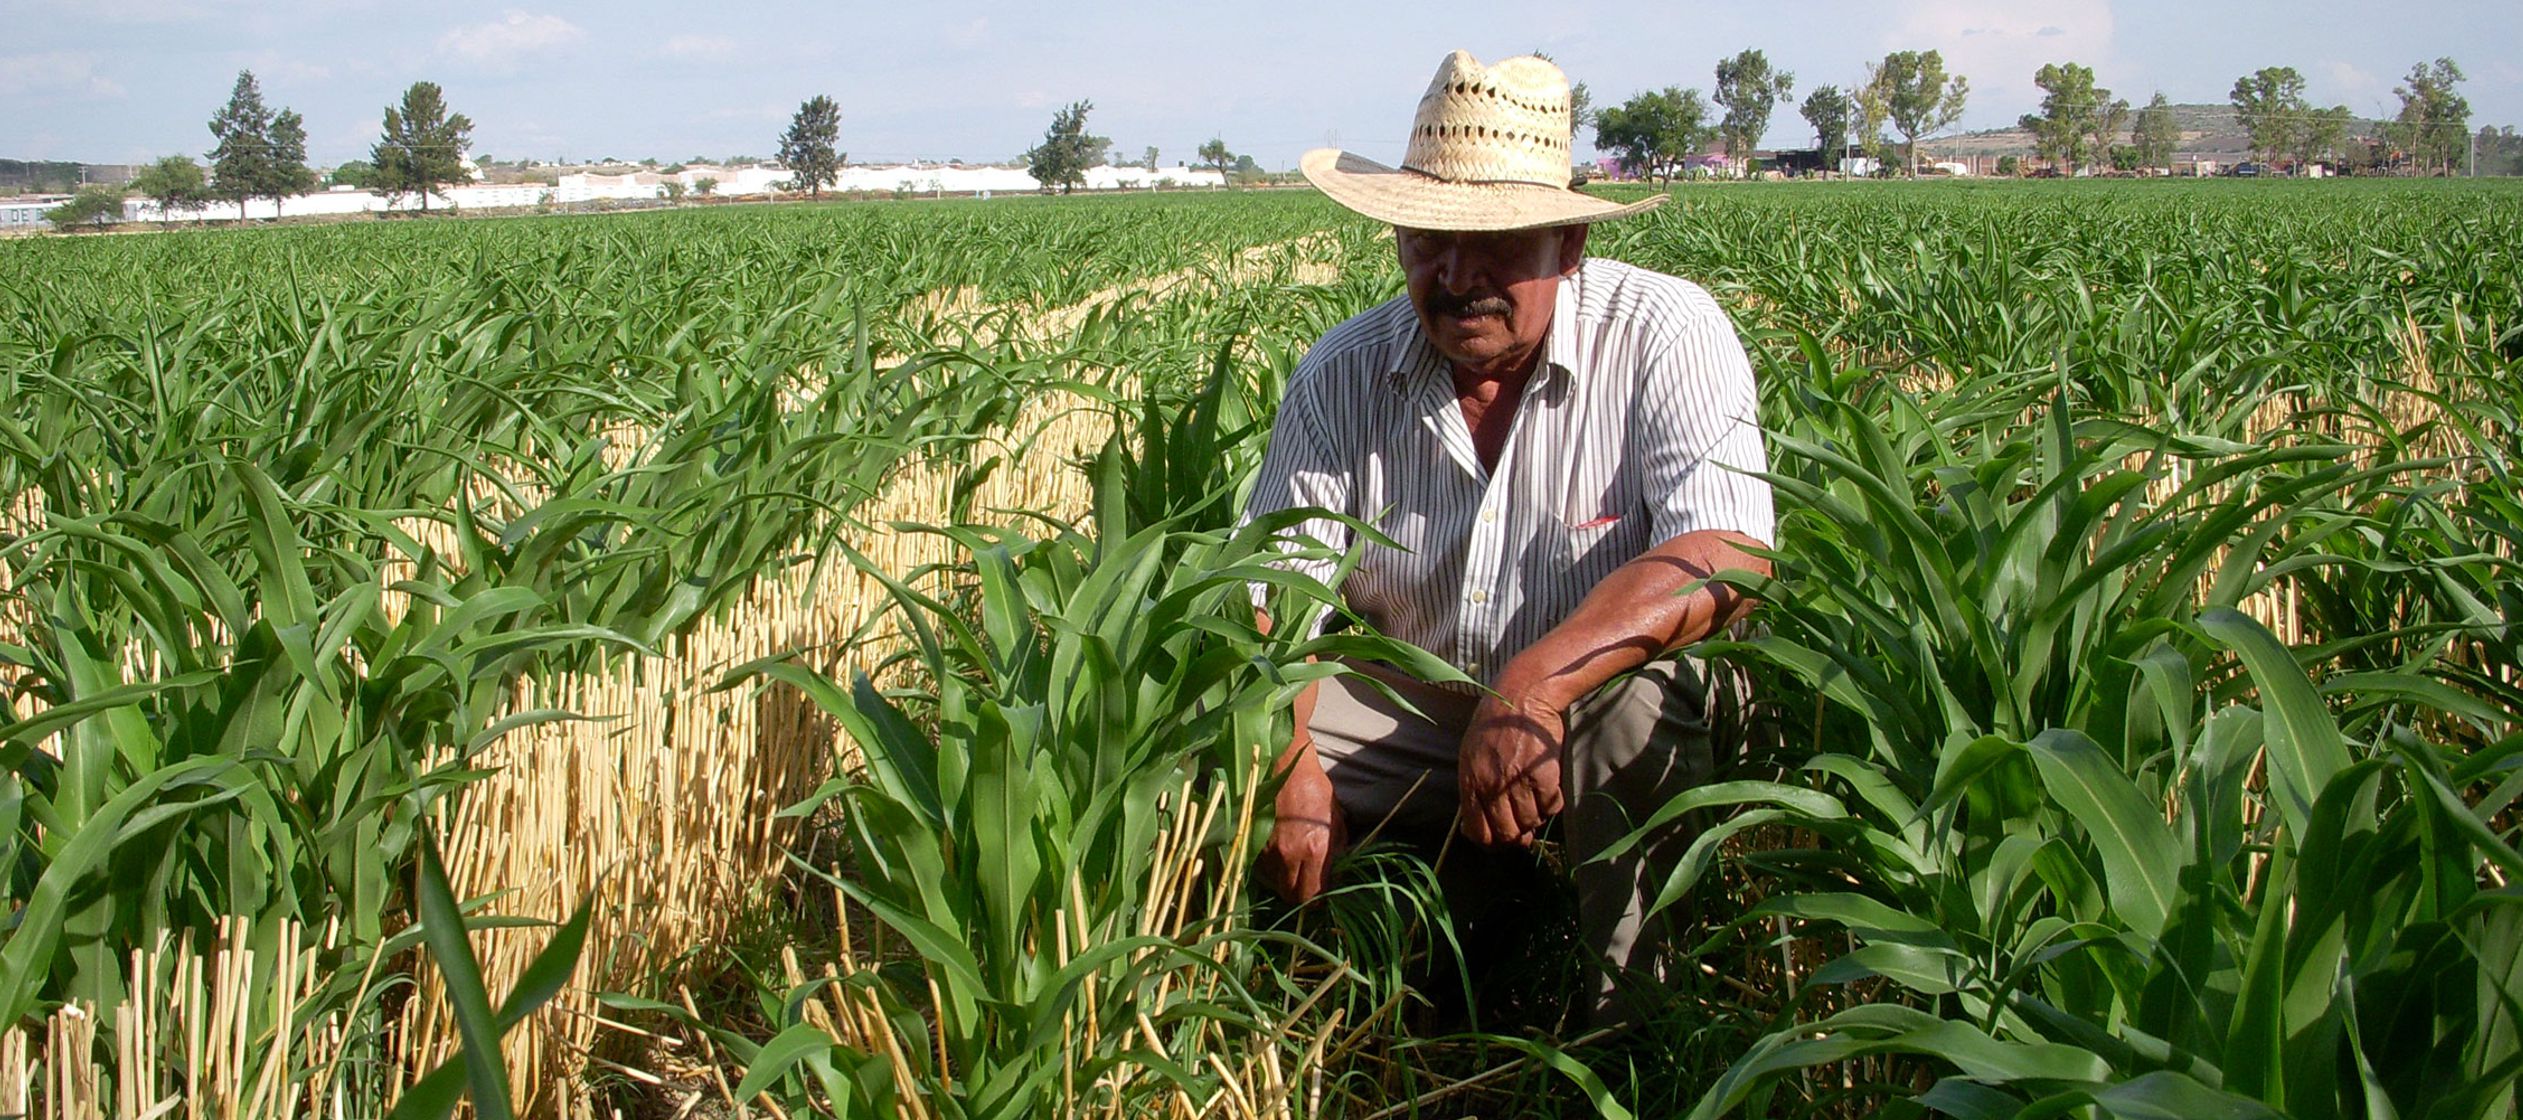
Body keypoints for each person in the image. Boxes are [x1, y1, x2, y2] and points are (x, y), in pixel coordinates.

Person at [1245, 50, 1775, 1024]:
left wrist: (1537, 685)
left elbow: (1728, 547)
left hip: (1593, 709)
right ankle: (1309, 996)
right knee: (1224, 732)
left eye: (1496, 243)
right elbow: (1273, 593)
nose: (1457, 277)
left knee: (1638, 705)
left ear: (1568, 243)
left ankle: (1635, 1031)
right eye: (1429, 239)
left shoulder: (1664, 333)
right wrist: (1282, 766)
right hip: (1416, 709)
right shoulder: (1343, 375)